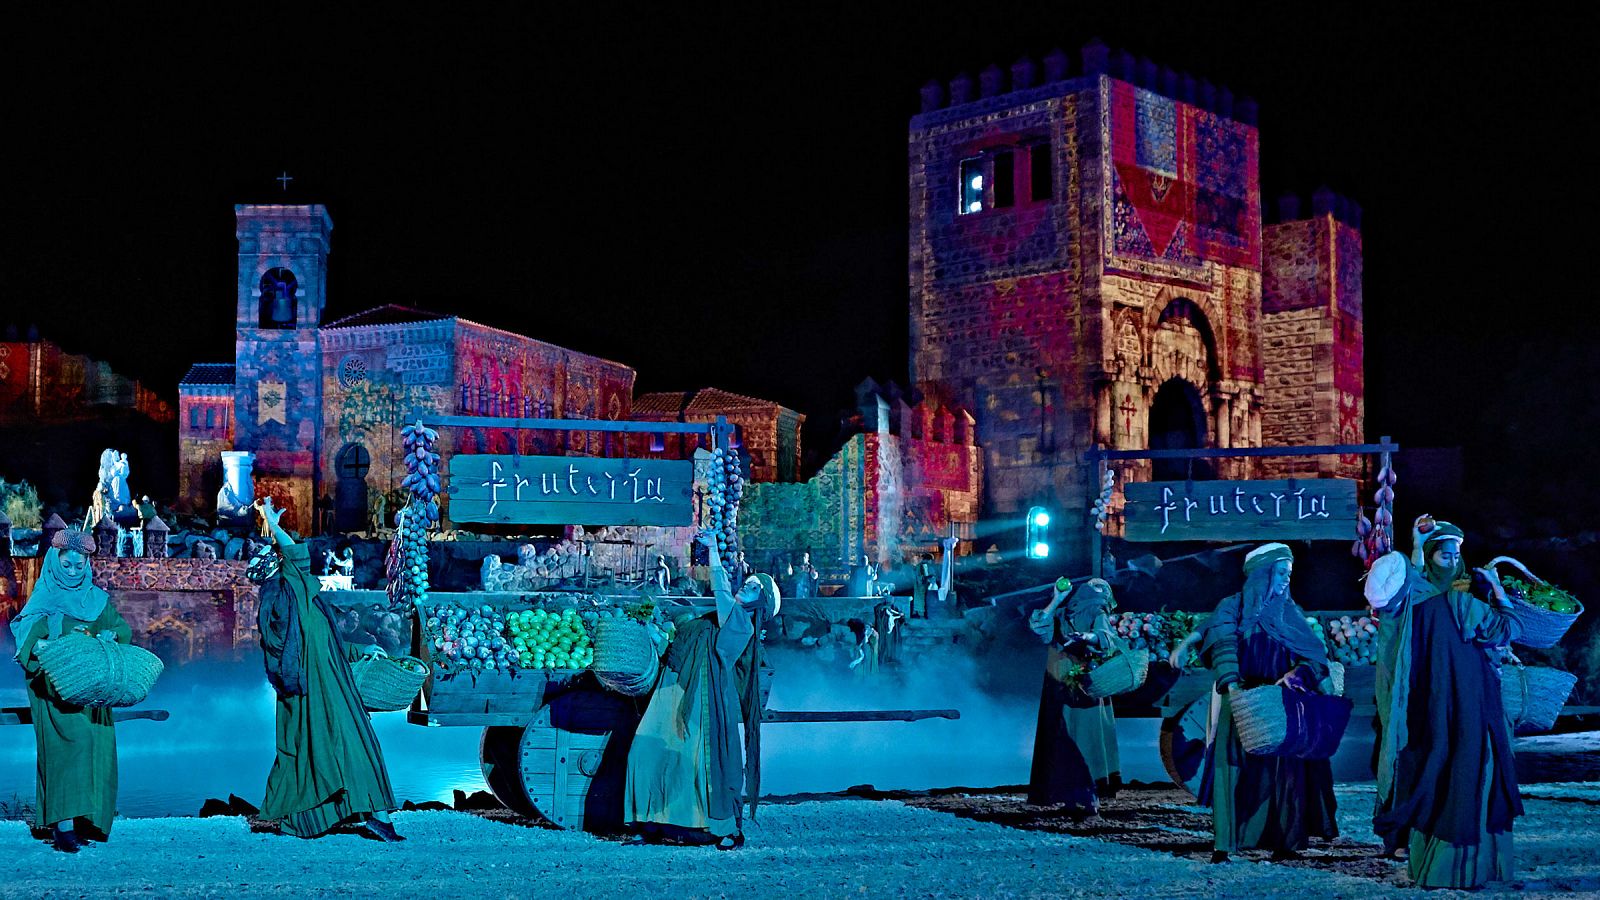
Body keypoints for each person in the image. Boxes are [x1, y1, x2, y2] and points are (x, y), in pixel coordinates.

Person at [1369, 520, 1523, 889]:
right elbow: (1509, 629)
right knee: (1467, 771)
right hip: (1466, 704)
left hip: (1434, 708)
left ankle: (1431, 862)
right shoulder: (1461, 604)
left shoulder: (1412, 603)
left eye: (1456, 555)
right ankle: (1462, 867)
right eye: (1445, 555)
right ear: (1432, 557)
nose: (1453, 561)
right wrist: (1498, 590)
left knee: (1436, 773)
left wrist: (1417, 548)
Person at [250, 497, 402, 842]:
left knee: (335, 747)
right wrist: (273, 525)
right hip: (319, 689)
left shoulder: (299, 598)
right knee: (344, 745)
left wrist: (361, 649)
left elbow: (321, 638)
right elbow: (297, 557)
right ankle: (367, 816)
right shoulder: (287, 596)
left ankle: (366, 815)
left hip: (328, 683)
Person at [624, 530, 779, 850]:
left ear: (759, 604)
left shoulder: (741, 623)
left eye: (753, 589)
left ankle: (716, 827)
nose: (745, 588)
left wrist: (714, 554)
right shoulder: (723, 616)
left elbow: (721, 592)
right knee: (646, 749)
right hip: (674, 685)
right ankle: (649, 820)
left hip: (701, 696)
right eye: (748, 584)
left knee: (693, 762)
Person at [1198, 542, 1338, 863]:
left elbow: (1313, 656)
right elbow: (1222, 643)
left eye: (1290, 573)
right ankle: (1225, 844)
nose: (1287, 579)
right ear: (1262, 574)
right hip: (1242, 699)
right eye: (1281, 573)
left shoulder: (1289, 612)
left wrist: (1297, 674)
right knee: (1234, 769)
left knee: (1286, 773)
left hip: (1281, 702)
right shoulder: (1232, 607)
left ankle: (1284, 842)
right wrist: (1233, 683)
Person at [9, 527, 132, 852]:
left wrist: (110, 636)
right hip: (55, 687)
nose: (74, 571)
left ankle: (86, 821)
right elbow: (27, 637)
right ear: (55, 561)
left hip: (91, 687)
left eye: (80, 565)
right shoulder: (46, 596)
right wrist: (42, 646)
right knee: (70, 745)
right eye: (67, 565)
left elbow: (121, 628)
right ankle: (62, 827)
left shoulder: (95, 598)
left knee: (96, 745)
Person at [1027, 578, 1123, 816]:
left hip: (1085, 681)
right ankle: (1069, 796)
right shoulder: (1061, 614)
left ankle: (1089, 797)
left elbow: (1106, 637)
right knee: (1062, 736)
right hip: (1059, 680)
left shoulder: (1097, 611)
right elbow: (1039, 627)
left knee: (1085, 737)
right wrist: (1057, 598)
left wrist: (1087, 638)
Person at [873, 596, 905, 666]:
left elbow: (900, 619)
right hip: (884, 631)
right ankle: (884, 659)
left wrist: (902, 616)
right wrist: (885, 607)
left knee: (891, 645)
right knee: (884, 644)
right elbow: (877, 611)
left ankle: (892, 658)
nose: (890, 601)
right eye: (889, 600)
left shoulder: (895, 608)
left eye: (892, 600)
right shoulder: (881, 607)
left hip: (893, 632)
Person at [911, 553, 935, 618]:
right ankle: (920, 613)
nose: (931, 561)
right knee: (921, 600)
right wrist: (930, 577)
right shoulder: (923, 565)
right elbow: (924, 577)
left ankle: (917, 612)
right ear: (928, 559)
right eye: (931, 560)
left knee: (918, 599)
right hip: (921, 586)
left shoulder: (919, 565)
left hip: (918, 585)